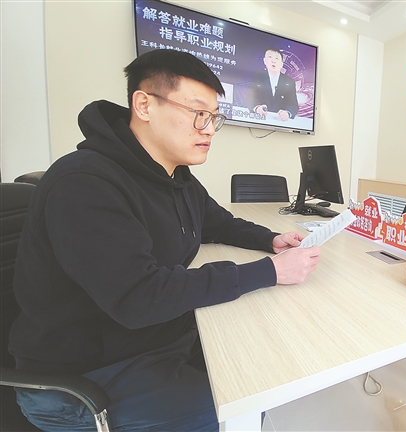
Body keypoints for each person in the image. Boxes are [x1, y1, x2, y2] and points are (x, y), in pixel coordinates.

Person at [9, 49, 321, 431]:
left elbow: (219, 224)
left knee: (259, 363)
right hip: (83, 379)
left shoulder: (176, 175)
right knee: (245, 404)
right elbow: (139, 297)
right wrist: (269, 272)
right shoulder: (84, 183)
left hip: (152, 339)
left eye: (214, 117)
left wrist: (271, 240)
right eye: (198, 113)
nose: (209, 129)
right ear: (144, 105)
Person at [250, 48, 299, 122]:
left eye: (277, 58)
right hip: (259, 120)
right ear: (265, 61)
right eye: (270, 57)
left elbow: (293, 104)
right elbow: (251, 97)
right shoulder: (257, 76)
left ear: (281, 64)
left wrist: (288, 113)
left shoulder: (289, 82)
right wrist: (257, 108)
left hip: (280, 122)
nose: (273, 61)